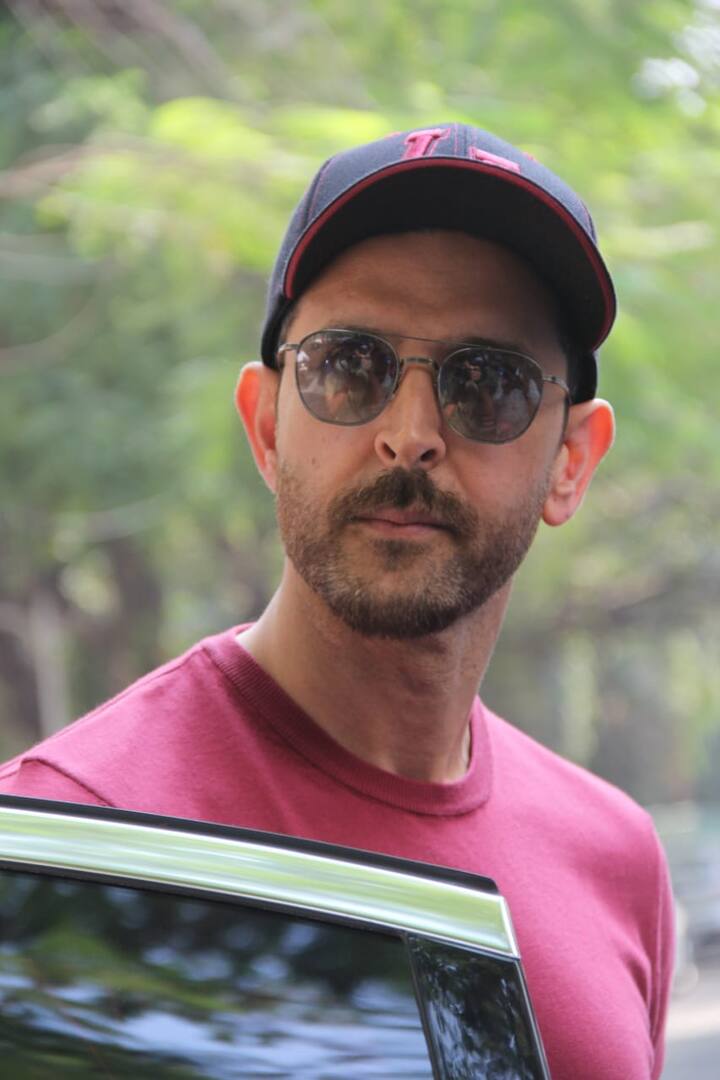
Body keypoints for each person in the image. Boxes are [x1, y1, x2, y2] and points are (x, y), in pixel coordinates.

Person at [0, 123, 674, 1078]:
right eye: (349, 366)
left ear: (570, 462)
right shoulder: (66, 846)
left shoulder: (615, 858)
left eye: (489, 384)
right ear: (267, 427)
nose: (411, 433)